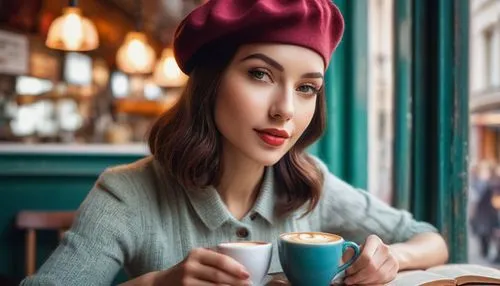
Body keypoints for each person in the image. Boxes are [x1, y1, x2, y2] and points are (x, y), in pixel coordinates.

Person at [21, 0, 448, 285]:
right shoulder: (126, 193)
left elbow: (430, 239)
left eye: (306, 88)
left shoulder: (310, 183)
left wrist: (392, 257)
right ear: (211, 82)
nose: (285, 109)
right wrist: (159, 283)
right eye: (260, 74)